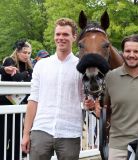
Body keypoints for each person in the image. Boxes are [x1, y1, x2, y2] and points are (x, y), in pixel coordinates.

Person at [86, 34, 138, 160]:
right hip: (117, 147)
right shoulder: (110, 77)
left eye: (136, 51)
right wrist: (94, 108)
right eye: (127, 51)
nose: (131, 54)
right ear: (123, 53)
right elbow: (105, 110)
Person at [21, 18, 83, 160]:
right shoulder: (42, 65)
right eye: (58, 34)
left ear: (74, 37)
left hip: (70, 132)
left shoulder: (81, 67)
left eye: (65, 34)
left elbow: (85, 99)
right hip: (41, 129)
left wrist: (93, 105)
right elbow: (33, 100)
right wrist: (25, 134)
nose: (61, 38)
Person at [0, 39, 32, 160]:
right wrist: (25, 76)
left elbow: (31, 80)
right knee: (3, 136)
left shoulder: (29, 65)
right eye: (24, 52)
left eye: (29, 53)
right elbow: (17, 78)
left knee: (17, 136)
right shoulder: (10, 61)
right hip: (5, 106)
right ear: (17, 52)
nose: (27, 55)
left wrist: (23, 76)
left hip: (19, 107)